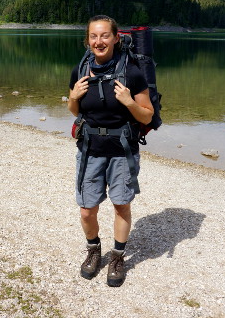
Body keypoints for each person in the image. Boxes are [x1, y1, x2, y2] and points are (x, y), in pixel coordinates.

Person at [68, 15, 154, 287]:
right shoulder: (80, 70)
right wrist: (72, 98)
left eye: (105, 35)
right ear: (88, 40)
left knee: (121, 205)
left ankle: (117, 256)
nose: (99, 41)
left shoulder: (132, 73)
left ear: (117, 38)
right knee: (86, 210)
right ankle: (94, 250)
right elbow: (75, 111)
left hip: (121, 152)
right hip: (90, 149)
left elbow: (147, 117)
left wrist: (129, 102)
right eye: (94, 36)